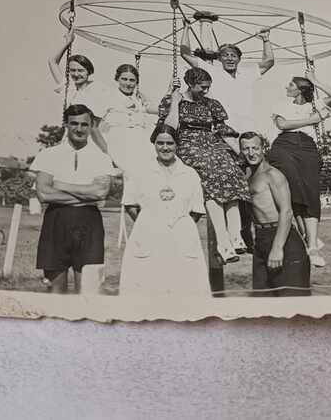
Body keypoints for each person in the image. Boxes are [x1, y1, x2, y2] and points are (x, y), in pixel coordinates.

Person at [160, 67, 251, 264]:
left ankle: (235, 236)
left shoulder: (211, 104)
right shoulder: (173, 101)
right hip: (186, 143)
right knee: (210, 172)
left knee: (231, 171)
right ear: (190, 84)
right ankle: (223, 241)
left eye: (208, 88)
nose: (205, 91)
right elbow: (169, 128)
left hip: (210, 143)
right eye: (202, 87)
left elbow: (223, 131)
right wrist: (175, 101)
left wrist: (240, 153)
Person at [30, 104, 117, 294]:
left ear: (91, 125)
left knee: (88, 292)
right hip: (56, 222)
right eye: (74, 124)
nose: (79, 129)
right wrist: (86, 195)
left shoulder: (101, 158)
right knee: (55, 292)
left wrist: (59, 184)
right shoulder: (49, 155)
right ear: (66, 125)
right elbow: (44, 194)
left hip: (89, 224)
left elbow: (100, 193)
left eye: (84, 125)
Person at [119, 124, 209, 296]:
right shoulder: (140, 172)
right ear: (154, 144)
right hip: (148, 235)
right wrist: (148, 224)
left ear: (177, 145)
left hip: (182, 237)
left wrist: (179, 226)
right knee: (147, 287)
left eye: (170, 143)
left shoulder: (190, 174)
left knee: (184, 287)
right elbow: (130, 204)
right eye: (160, 143)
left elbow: (197, 210)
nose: (165, 148)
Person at [267, 74, 331, 268]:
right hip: (284, 144)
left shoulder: (314, 104)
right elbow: (282, 125)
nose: (286, 87)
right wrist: (312, 120)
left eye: (291, 84)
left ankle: (312, 245)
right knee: (292, 187)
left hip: (307, 147)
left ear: (300, 88)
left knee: (310, 191)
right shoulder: (282, 105)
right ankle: (310, 239)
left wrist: (315, 80)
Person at [239, 132, 310, 297]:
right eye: (246, 149)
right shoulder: (248, 175)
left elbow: (286, 212)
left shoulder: (273, 175)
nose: (251, 153)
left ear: (263, 148)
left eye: (255, 148)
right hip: (261, 239)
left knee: (292, 302)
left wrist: (277, 248)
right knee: (262, 301)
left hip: (282, 239)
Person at [180, 29, 275, 149]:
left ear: (239, 59)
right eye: (225, 55)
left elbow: (269, 62)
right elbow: (185, 54)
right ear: (220, 59)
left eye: (233, 56)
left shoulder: (247, 74)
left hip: (247, 126)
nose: (230, 59)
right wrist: (186, 28)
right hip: (222, 129)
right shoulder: (212, 71)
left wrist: (266, 40)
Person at [47, 26, 109, 152]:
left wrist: (106, 152)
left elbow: (94, 126)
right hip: (70, 138)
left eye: (80, 70)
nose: (76, 74)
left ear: (89, 71)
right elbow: (52, 61)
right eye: (72, 70)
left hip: (90, 141)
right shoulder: (69, 87)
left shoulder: (97, 90)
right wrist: (68, 43)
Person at [97, 64, 156, 174]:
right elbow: (95, 125)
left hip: (140, 143)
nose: (128, 83)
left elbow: (154, 111)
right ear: (117, 79)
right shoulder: (108, 96)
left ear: (136, 82)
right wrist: (104, 151)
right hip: (117, 143)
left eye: (132, 80)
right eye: (124, 79)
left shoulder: (138, 99)